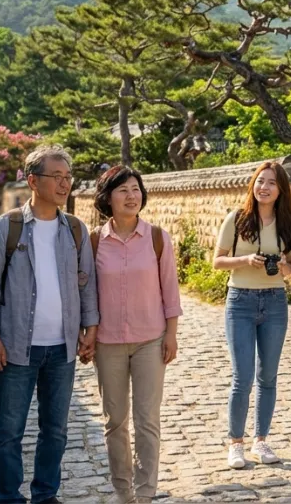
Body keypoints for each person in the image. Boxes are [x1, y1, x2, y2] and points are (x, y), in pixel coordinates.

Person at [0, 145, 98, 504]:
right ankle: (9, 498)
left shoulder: (75, 229)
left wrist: (90, 331)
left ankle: (46, 494)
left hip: (61, 350)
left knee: (56, 431)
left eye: (68, 177)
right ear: (33, 180)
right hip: (16, 347)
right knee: (9, 431)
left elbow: (86, 283)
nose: (64, 184)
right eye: (56, 177)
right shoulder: (6, 228)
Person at [90, 166, 182, 504]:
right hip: (108, 344)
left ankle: (145, 493)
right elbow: (86, 294)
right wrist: (87, 333)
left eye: (136, 189)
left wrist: (171, 334)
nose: (132, 196)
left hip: (150, 340)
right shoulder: (94, 240)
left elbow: (170, 291)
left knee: (147, 421)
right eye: (123, 190)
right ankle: (122, 492)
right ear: (107, 198)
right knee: (114, 421)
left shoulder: (157, 237)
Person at [213, 161, 291, 468]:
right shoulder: (237, 218)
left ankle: (261, 440)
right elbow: (217, 262)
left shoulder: (287, 224)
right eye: (260, 181)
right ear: (253, 185)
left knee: (268, 376)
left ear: (280, 190)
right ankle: (236, 443)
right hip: (240, 301)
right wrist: (247, 259)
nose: (265, 187)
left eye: (272, 183)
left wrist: (282, 266)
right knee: (242, 376)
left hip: (275, 301)